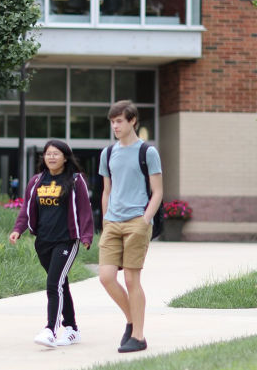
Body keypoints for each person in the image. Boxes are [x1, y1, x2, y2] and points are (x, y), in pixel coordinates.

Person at [9, 139, 94, 348]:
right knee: (60, 284)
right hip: (43, 242)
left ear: (65, 157)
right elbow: (26, 208)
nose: (52, 157)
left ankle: (50, 329)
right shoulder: (37, 181)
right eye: (48, 153)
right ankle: (72, 328)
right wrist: (18, 229)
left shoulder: (75, 180)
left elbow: (84, 208)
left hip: (66, 240)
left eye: (56, 153)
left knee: (53, 283)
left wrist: (86, 236)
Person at [97, 100, 163, 353]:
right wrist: (105, 220)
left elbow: (157, 192)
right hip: (112, 222)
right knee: (106, 278)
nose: (115, 125)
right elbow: (106, 191)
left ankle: (138, 336)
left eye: (119, 121)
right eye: (112, 121)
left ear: (132, 121)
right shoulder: (108, 153)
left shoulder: (147, 152)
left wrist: (145, 221)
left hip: (137, 220)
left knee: (131, 279)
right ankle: (131, 319)